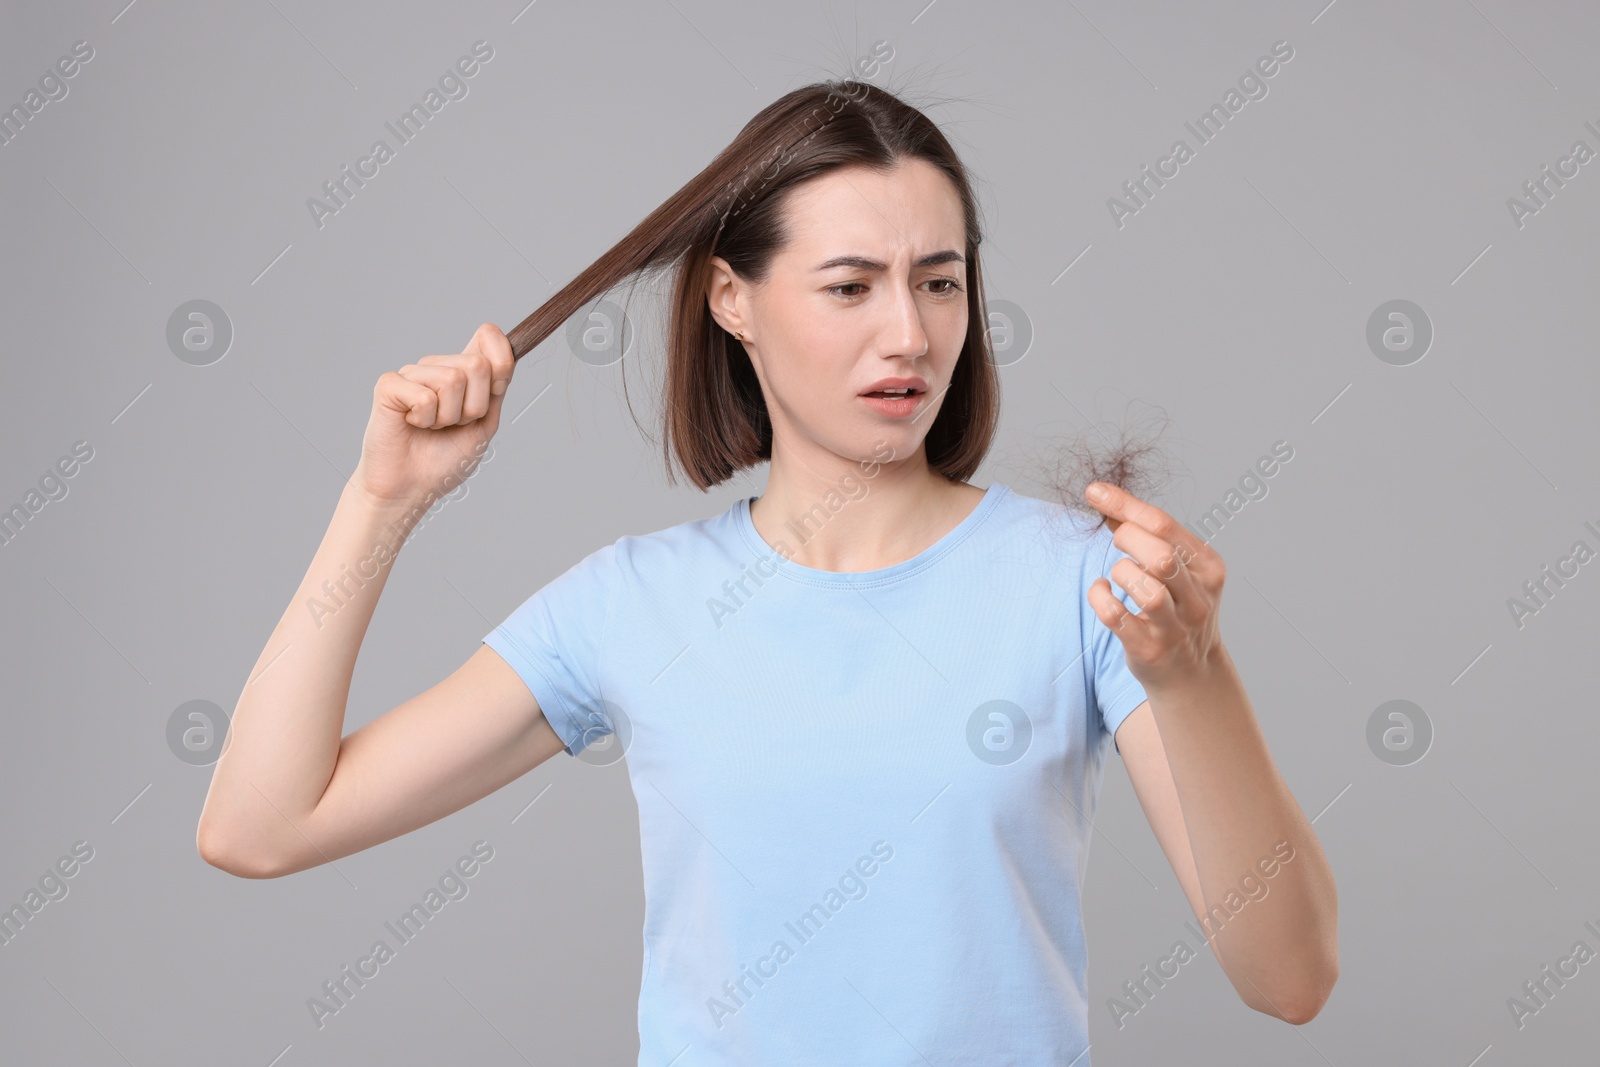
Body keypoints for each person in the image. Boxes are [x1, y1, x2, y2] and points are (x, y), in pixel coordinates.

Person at [196, 77, 1337, 1064]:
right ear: (732, 299)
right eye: (849, 286)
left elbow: (1289, 976)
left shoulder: (1079, 586)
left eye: (939, 282)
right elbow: (260, 825)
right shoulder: (630, 603)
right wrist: (381, 504)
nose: (908, 334)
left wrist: (1195, 678)